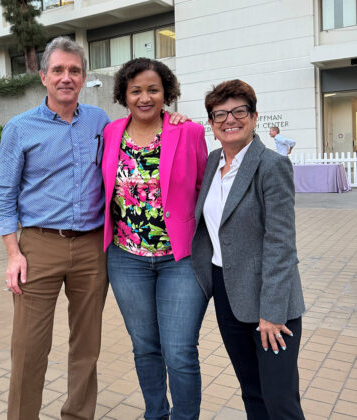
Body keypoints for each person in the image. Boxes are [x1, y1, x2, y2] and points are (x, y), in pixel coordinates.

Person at [0, 37, 111, 420]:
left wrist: (172, 117)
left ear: (84, 77)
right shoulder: (19, 128)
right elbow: (5, 195)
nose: (66, 77)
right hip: (38, 248)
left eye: (74, 70)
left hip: (92, 249)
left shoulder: (100, 122)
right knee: (28, 347)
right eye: (58, 70)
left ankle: (78, 415)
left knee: (86, 346)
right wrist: (13, 254)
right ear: (43, 76)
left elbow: (143, 133)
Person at [191, 79, 306, 420]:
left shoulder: (271, 166)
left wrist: (271, 312)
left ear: (255, 117)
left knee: (280, 400)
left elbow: (281, 243)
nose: (230, 119)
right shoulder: (212, 163)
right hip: (227, 294)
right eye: (220, 114)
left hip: (271, 302)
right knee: (252, 392)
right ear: (211, 124)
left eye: (239, 111)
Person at [102, 58, 209, 420]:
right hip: (125, 258)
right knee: (145, 347)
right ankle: (155, 415)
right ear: (124, 95)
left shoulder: (189, 132)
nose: (144, 97)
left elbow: (203, 189)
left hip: (179, 259)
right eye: (136, 91)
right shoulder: (111, 132)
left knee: (179, 351)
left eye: (153, 89)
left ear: (167, 93)